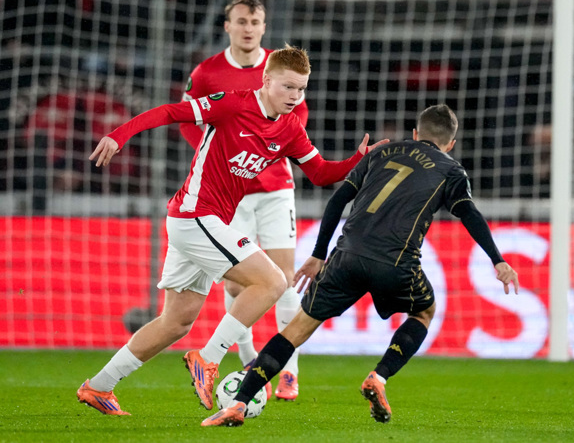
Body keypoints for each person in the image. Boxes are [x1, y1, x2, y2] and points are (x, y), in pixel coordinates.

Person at [76, 45, 389, 416]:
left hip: (203, 222)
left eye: (301, 89)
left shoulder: (290, 127)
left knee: (175, 322)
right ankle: (208, 359)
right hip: (195, 215)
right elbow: (171, 112)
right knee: (272, 282)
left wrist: (358, 161)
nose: (295, 96)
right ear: (267, 80)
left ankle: (98, 386)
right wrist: (119, 135)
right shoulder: (231, 104)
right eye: (288, 86)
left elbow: (320, 173)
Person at [201, 104, 520, 427]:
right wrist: (498, 260)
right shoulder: (450, 170)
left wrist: (318, 254)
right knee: (424, 312)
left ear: (415, 133)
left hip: (346, 257)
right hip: (396, 262)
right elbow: (469, 214)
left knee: (294, 331)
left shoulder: (381, 152)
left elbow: (338, 200)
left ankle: (238, 403)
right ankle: (378, 377)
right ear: (451, 144)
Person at [179, 0, 308, 401]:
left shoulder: (280, 69)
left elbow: (297, 117)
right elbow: (188, 121)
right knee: (238, 285)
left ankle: (288, 371)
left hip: (275, 188)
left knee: (285, 278)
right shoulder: (206, 73)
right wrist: (218, 158)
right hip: (228, 194)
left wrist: (265, 153)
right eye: (241, 21)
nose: (248, 28)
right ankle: (249, 357)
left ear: (264, 27)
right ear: (228, 26)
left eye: (255, 22)